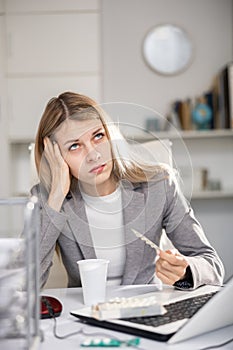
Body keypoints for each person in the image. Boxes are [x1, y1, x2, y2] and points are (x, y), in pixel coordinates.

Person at [32, 91, 224, 290]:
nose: (94, 155)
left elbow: (212, 265)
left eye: (98, 136)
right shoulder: (47, 200)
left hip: (145, 311)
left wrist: (186, 270)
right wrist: (55, 197)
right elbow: (23, 286)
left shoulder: (159, 185)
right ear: (54, 156)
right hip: (83, 313)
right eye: (74, 146)